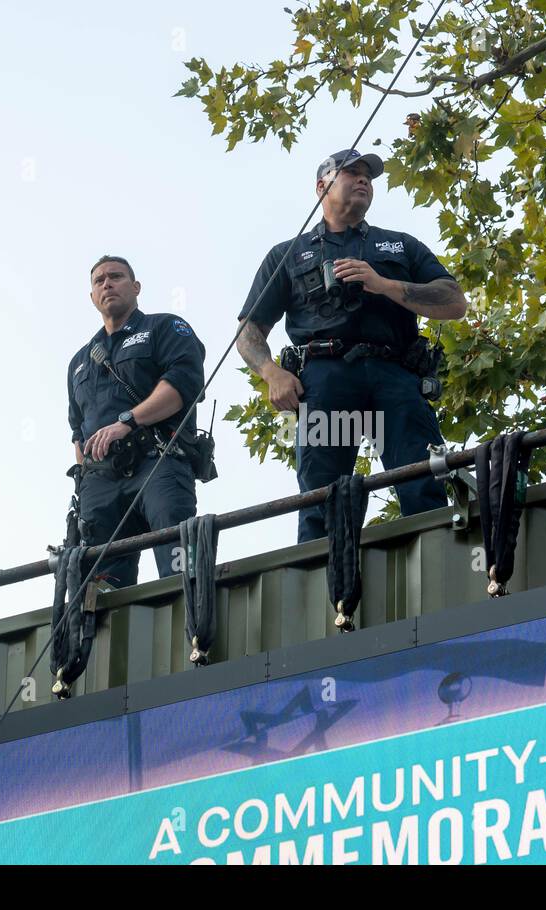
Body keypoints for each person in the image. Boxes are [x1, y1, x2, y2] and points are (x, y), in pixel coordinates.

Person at [235, 148, 468, 542]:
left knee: (421, 479)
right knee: (321, 495)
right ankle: (318, 588)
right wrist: (272, 373)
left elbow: (454, 302)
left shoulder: (399, 245)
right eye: (351, 173)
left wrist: (383, 284)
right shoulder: (287, 254)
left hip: (395, 375)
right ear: (321, 186)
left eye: (369, 176)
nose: (364, 180)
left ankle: (437, 565)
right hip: (325, 380)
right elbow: (248, 330)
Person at [67, 255, 205, 586]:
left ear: (136, 286)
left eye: (115, 276)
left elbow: (183, 386)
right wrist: (86, 479)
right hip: (101, 483)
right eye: (98, 281)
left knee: (181, 565)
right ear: (91, 297)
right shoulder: (78, 363)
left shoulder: (164, 327)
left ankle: (195, 630)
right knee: (97, 590)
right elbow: (77, 430)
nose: (107, 284)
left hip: (157, 463)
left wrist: (127, 421)